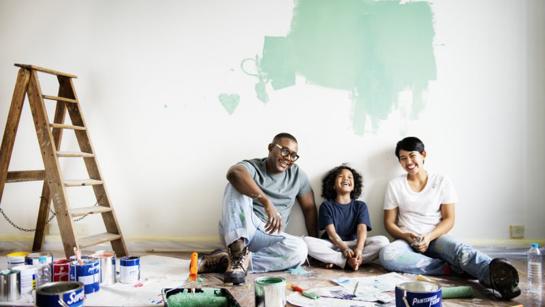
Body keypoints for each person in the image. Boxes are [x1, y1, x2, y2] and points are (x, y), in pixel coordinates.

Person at [379, 137, 521, 300]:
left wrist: (429, 237)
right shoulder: (395, 185)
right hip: (407, 242)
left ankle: (495, 277)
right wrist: (406, 236)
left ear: (423, 154)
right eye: (403, 158)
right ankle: (452, 269)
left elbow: (449, 219)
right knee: (387, 254)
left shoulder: (442, 180)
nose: (408, 162)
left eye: (412, 156)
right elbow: (389, 222)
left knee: (460, 249)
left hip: (436, 238)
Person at [198, 132, 318, 285]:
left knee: (300, 250)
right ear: (270, 148)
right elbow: (233, 173)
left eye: (293, 155)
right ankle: (237, 250)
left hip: (271, 235)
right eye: (285, 151)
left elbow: (309, 208)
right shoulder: (254, 166)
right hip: (243, 227)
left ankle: (230, 261)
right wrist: (265, 201)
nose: (288, 158)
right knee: (234, 185)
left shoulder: (298, 176)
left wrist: (316, 247)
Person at [304, 165, 389, 270]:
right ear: (333, 185)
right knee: (305, 242)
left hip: (354, 244)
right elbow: (331, 235)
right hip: (333, 245)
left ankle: (350, 260)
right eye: (341, 176)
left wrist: (359, 249)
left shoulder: (360, 206)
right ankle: (346, 261)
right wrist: (344, 249)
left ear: (354, 186)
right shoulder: (326, 206)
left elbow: (362, 230)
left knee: (383, 241)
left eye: (350, 177)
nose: (346, 179)